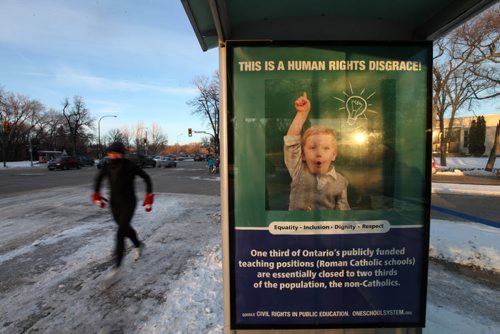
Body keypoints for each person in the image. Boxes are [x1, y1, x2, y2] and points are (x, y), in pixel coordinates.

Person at [92, 141, 154, 280]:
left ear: (121, 153)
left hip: (129, 203)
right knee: (124, 228)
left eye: (115, 152)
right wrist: (97, 194)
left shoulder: (130, 165)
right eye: (110, 152)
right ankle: (138, 244)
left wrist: (149, 197)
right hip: (114, 204)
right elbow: (98, 180)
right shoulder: (107, 166)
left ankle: (117, 266)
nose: (112, 155)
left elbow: (146, 177)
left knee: (120, 233)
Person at [284, 92, 350, 211]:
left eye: (326, 148)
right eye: (313, 147)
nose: (319, 153)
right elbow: (291, 143)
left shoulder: (341, 181)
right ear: (303, 155)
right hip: (296, 227)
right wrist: (302, 114)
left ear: (334, 155)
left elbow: (343, 212)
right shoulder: (298, 171)